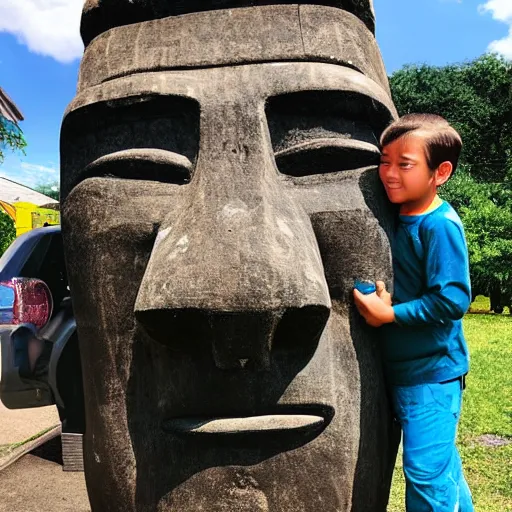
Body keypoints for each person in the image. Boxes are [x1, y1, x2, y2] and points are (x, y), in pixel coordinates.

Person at [353, 113, 474, 511]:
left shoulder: (439, 226)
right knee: (442, 468)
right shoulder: (400, 214)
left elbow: (453, 300)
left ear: (440, 172)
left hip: (432, 374)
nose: (389, 173)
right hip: (402, 370)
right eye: (384, 161)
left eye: (405, 164)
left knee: (425, 472)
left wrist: (391, 315)